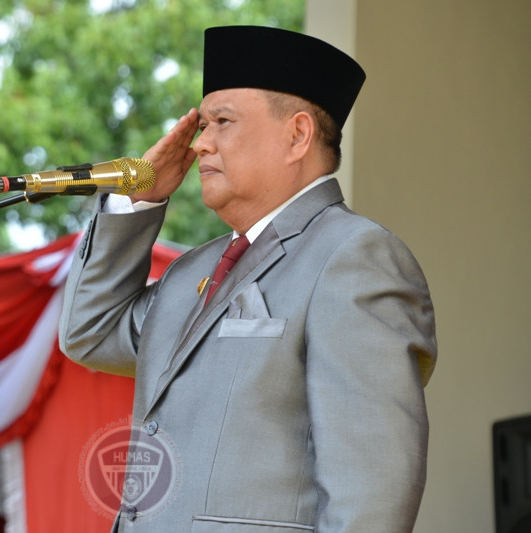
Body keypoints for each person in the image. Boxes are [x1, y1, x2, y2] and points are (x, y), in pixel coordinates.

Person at [59, 25, 437, 532]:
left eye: (221, 121)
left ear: (297, 135)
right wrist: (137, 201)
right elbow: (91, 332)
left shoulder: (353, 256)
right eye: (201, 125)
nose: (200, 144)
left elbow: (372, 498)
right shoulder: (191, 271)